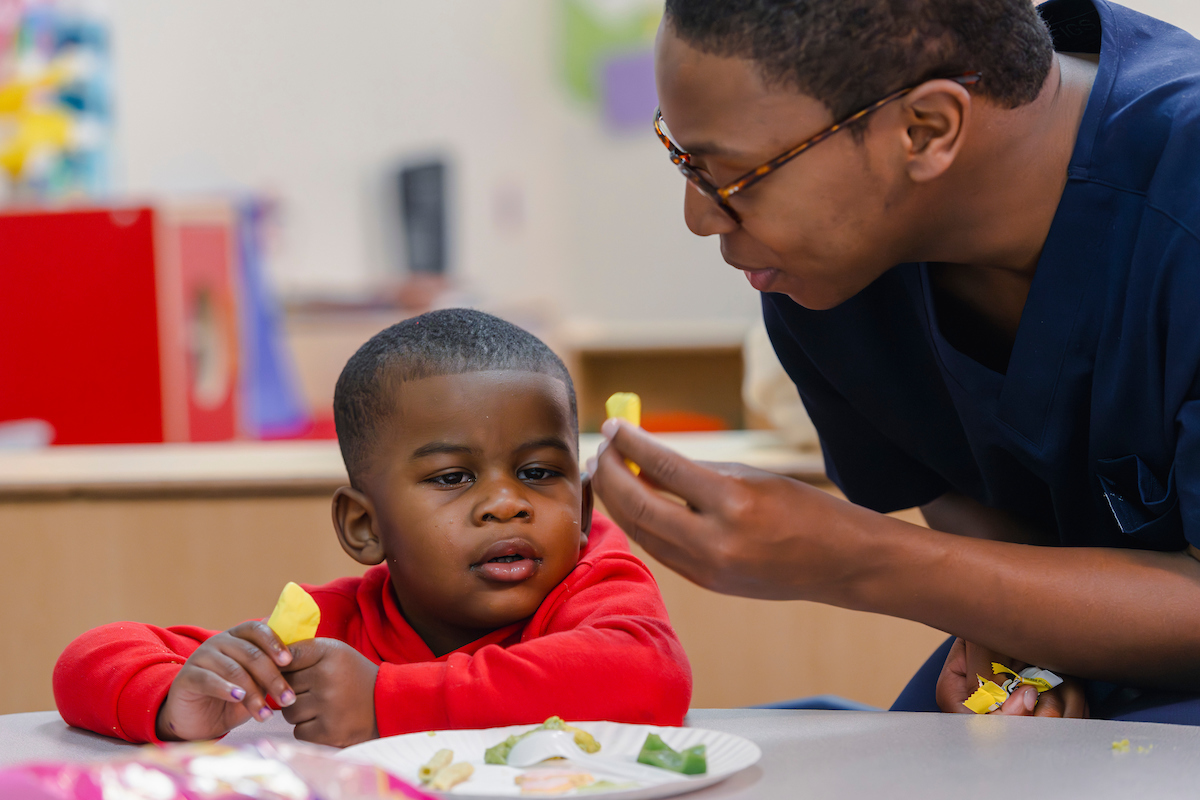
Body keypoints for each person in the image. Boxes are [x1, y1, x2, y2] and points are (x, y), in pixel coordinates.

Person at [592, 0, 1200, 723]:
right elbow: (957, 493)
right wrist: (1017, 653)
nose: (701, 217)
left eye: (736, 174)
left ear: (927, 130)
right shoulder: (827, 272)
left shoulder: (1181, 194)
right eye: (683, 157)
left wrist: (856, 558)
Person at [55, 309, 692, 746]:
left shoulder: (593, 587)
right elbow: (90, 658)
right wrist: (176, 699)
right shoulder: (338, 631)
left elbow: (647, 676)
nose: (506, 504)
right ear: (364, 525)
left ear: (581, 507)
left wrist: (386, 699)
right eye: (452, 478)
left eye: (537, 472)